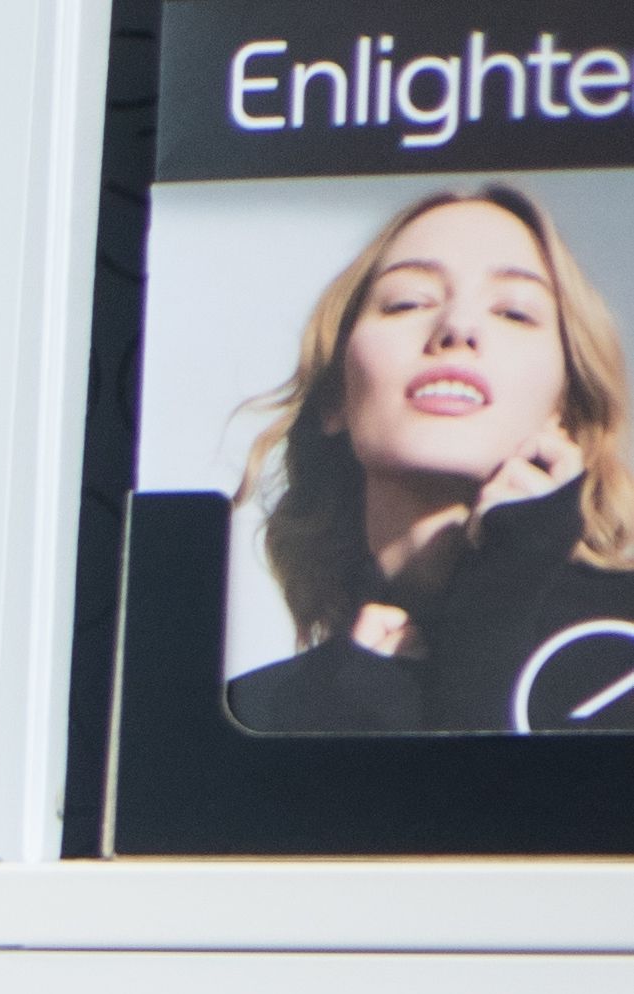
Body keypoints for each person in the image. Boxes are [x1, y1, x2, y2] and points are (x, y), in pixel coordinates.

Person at [222, 186, 634, 732]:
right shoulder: (256, 714)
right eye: (407, 303)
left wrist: (502, 591)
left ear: (566, 410)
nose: (457, 329)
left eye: (514, 311)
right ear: (335, 398)